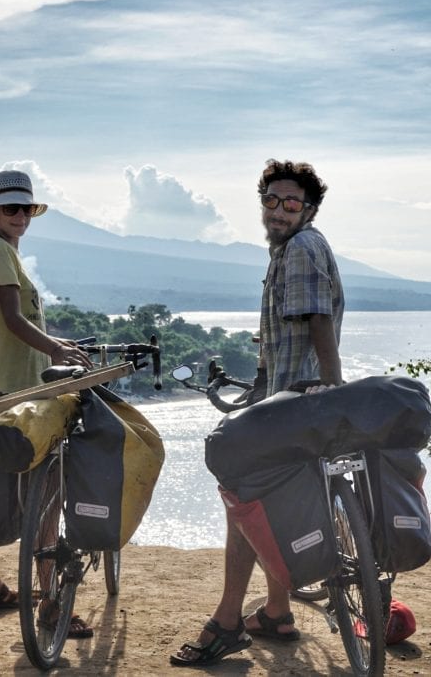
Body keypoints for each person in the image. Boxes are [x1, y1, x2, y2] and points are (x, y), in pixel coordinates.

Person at [171, 159, 344, 667]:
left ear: (308, 210)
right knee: (269, 501)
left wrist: (331, 390)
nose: (280, 210)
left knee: (240, 491)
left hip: (298, 402)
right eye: (272, 200)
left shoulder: (302, 247)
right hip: (286, 396)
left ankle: (227, 621)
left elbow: (316, 321)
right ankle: (275, 610)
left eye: (292, 203)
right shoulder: (288, 251)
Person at [0, 169, 95, 640]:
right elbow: (12, 318)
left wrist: (54, 341)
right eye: (10, 209)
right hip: (20, 393)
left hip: (1, 388)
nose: (19, 216)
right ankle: (51, 602)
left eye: (25, 208)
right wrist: (58, 352)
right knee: (49, 492)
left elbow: (20, 325)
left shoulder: (4, 252)